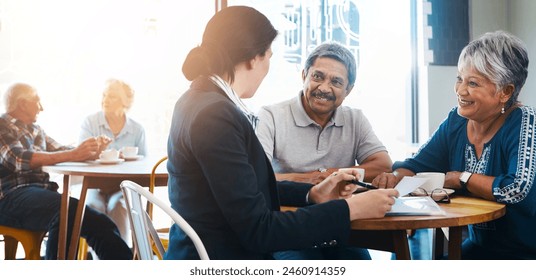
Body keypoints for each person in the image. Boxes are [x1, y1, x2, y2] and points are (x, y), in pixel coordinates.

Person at [164, 6, 398, 260]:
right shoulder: (216, 116)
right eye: (269, 56)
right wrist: (349, 209)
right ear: (255, 58)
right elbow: (260, 231)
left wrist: (311, 193)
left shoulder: (197, 100)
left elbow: (243, 189)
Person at [372, 30, 536, 259]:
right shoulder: (456, 122)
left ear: (505, 92)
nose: (460, 90)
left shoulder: (524, 121)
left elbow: (517, 191)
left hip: (525, 254)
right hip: (479, 249)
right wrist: (395, 176)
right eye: (460, 78)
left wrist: (462, 178)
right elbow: (415, 165)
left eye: (473, 83)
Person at [256, 42, 392, 260]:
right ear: (304, 76)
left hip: (340, 228)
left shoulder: (355, 118)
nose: (324, 88)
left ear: (348, 90)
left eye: (336, 81)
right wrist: (314, 180)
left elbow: (382, 164)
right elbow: (257, 178)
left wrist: (333, 174)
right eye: (318, 76)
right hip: (290, 230)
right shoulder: (270, 116)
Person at [0, 82, 132, 260]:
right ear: (23, 104)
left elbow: (61, 150)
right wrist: (74, 153)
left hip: (40, 195)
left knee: (102, 224)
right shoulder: (3, 126)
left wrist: (91, 151)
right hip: (10, 198)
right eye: (37, 101)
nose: (42, 107)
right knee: (67, 214)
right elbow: (19, 158)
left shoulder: (36, 129)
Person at [79, 78, 147, 245]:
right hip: (93, 185)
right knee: (93, 207)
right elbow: (80, 157)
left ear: (126, 101)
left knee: (120, 207)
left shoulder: (137, 129)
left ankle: (121, 259)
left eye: (112, 96)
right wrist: (98, 152)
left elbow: (143, 164)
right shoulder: (90, 123)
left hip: (122, 186)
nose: (105, 100)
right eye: (104, 95)